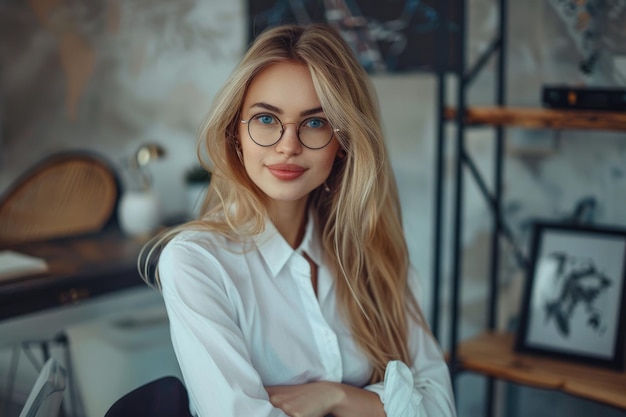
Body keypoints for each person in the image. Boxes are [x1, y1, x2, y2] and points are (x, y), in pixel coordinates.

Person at [140, 23, 456, 417]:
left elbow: (441, 406)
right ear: (235, 134)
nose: (288, 146)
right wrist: (384, 405)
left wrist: (336, 397)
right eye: (266, 120)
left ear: (343, 144)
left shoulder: (374, 256)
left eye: (315, 122)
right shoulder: (197, 263)